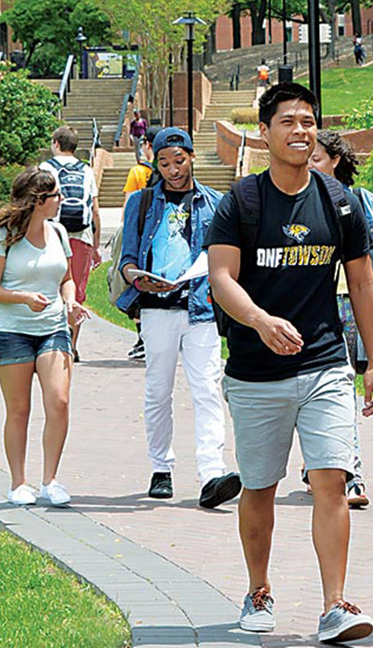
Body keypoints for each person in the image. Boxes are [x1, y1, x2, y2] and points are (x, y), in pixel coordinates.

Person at [206, 82, 373, 643]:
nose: (301, 131)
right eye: (288, 121)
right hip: (256, 372)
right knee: (259, 487)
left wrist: (372, 357)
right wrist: (259, 320)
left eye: (308, 121)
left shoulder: (339, 201)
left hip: (325, 364)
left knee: (330, 481)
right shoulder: (242, 202)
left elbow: (361, 280)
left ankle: (335, 604)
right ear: (265, 132)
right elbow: (220, 279)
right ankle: (259, 590)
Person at [117, 127, 242, 508]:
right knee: (158, 390)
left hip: (200, 307)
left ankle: (212, 473)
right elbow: (127, 258)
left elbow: (226, 256)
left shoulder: (215, 202)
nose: (173, 169)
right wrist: (134, 276)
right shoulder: (140, 203)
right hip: (156, 309)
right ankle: (161, 468)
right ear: (156, 164)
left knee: (206, 389)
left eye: (179, 160)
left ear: (191, 157)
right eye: (164, 163)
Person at [307, 130, 373, 508]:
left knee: (342, 389)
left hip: (353, 307)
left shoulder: (362, 201)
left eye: (316, 158)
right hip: (312, 308)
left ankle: (345, 473)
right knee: (322, 388)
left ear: (335, 160)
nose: (308, 166)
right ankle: (331, 468)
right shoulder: (299, 202)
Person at [0, 167, 89, 506]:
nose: (62, 200)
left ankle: (50, 480)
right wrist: (25, 298)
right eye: (56, 195)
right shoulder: (1, 235)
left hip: (53, 328)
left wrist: (70, 302)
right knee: (19, 410)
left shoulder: (57, 232)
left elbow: (66, 279)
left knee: (59, 402)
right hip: (10, 331)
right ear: (38, 200)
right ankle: (18, 483)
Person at [39, 126, 100, 363]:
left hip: (52, 234)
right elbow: (94, 210)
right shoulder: (86, 170)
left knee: (52, 288)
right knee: (76, 291)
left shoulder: (46, 168)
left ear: (55, 143)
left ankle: (52, 341)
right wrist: (95, 246)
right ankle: (71, 344)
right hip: (81, 237)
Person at [120, 125, 161, 361]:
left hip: (141, 236)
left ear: (148, 145)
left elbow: (129, 205)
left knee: (137, 286)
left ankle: (143, 339)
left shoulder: (138, 172)